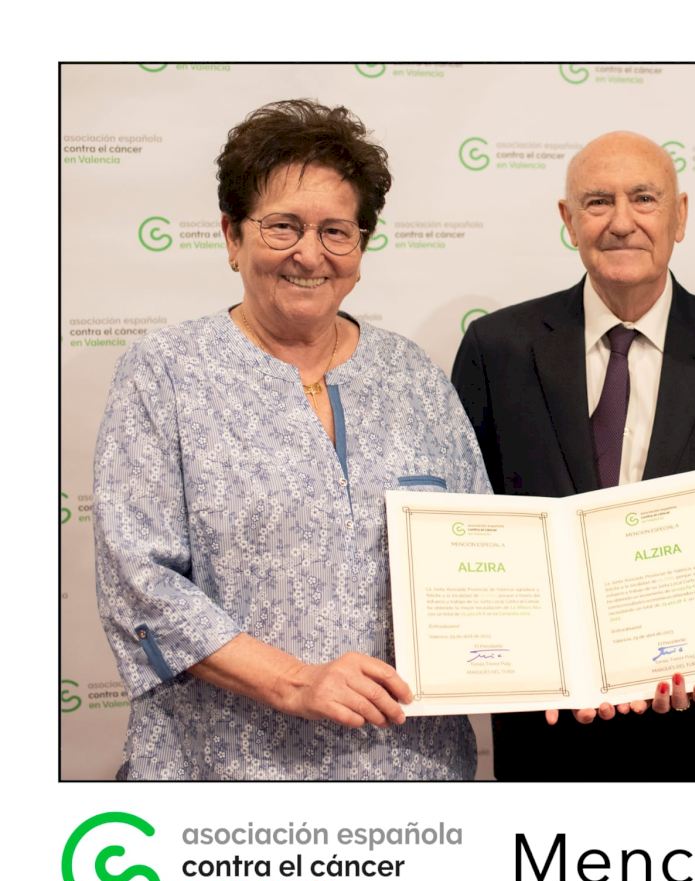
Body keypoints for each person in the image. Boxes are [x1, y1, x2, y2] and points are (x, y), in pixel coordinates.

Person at [93, 99, 490, 780]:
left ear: (361, 248)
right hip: (225, 779)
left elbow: (484, 552)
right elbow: (140, 583)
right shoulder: (166, 373)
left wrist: (572, 671)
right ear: (232, 236)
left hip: (411, 776)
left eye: (336, 231)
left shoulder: (413, 376)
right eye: (283, 226)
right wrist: (295, 681)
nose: (309, 253)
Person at [451, 130, 695, 781]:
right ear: (568, 220)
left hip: (693, 719)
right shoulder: (497, 347)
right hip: (544, 724)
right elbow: (469, 523)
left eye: (644, 199)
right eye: (597, 202)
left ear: (679, 216)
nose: (621, 222)